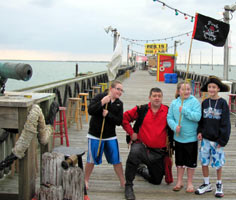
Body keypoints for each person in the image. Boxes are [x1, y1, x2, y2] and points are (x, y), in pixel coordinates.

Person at [122, 87, 173, 200]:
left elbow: (179, 122)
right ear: (149, 97)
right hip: (142, 148)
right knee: (134, 152)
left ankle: (140, 170)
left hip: (158, 153)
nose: (157, 98)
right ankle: (128, 185)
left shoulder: (168, 111)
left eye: (159, 96)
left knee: (156, 181)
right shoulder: (141, 109)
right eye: (154, 96)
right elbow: (124, 118)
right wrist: (131, 133)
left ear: (162, 98)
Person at [84, 80, 125, 190]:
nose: (120, 92)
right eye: (118, 89)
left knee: (116, 159)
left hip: (110, 135)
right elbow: (90, 110)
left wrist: (108, 115)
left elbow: (119, 121)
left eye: (121, 90)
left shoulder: (119, 104)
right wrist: (102, 102)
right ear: (111, 88)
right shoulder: (100, 97)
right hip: (95, 134)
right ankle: (85, 180)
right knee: (91, 159)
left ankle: (123, 181)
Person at [195, 76, 231, 198]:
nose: (211, 89)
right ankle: (206, 183)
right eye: (209, 87)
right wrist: (199, 131)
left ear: (218, 89)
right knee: (204, 162)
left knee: (218, 164)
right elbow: (201, 120)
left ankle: (219, 184)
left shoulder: (223, 103)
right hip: (205, 139)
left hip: (217, 141)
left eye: (214, 87)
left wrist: (223, 139)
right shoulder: (205, 102)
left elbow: (226, 123)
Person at [167, 81, 201, 193]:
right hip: (178, 138)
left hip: (191, 138)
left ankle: (190, 183)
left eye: (188, 89)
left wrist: (185, 111)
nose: (186, 91)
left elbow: (197, 117)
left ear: (191, 90)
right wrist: (174, 126)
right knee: (179, 162)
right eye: (183, 89)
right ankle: (179, 181)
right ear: (178, 91)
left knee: (190, 162)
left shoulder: (195, 102)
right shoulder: (174, 103)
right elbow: (169, 118)